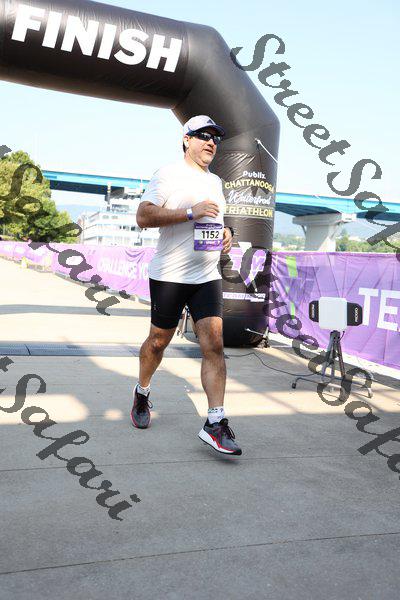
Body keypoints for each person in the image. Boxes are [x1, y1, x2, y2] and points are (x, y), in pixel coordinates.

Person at [130, 115, 242, 456]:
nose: (210, 142)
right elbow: (143, 216)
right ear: (186, 139)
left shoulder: (216, 181)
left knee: (214, 345)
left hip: (206, 276)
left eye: (215, 138)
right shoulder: (168, 174)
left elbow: (216, 221)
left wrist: (227, 234)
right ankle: (142, 391)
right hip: (170, 275)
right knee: (158, 342)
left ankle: (215, 422)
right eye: (202, 136)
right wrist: (190, 212)